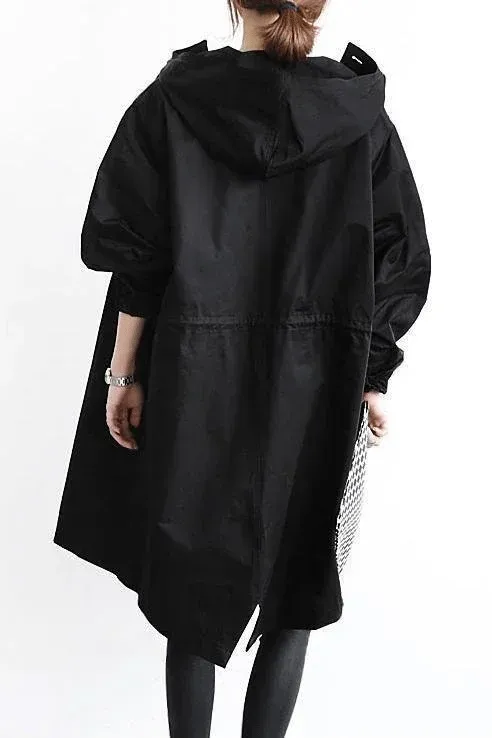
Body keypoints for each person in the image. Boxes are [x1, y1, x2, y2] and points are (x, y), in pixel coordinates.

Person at [53, 0, 431, 735]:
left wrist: (123, 376)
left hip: (195, 377)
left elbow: (137, 255)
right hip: (321, 383)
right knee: (299, 581)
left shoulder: (174, 101)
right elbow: (399, 257)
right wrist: (372, 376)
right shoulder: (361, 117)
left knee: (191, 586)